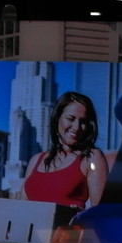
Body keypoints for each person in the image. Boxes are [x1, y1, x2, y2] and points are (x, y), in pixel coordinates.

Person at [18, 91, 108, 226]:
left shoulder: (92, 157)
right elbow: (19, 211)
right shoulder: (36, 160)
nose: (77, 127)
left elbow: (101, 214)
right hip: (28, 241)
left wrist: (82, 217)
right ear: (57, 118)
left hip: (65, 242)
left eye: (83, 121)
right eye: (71, 119)